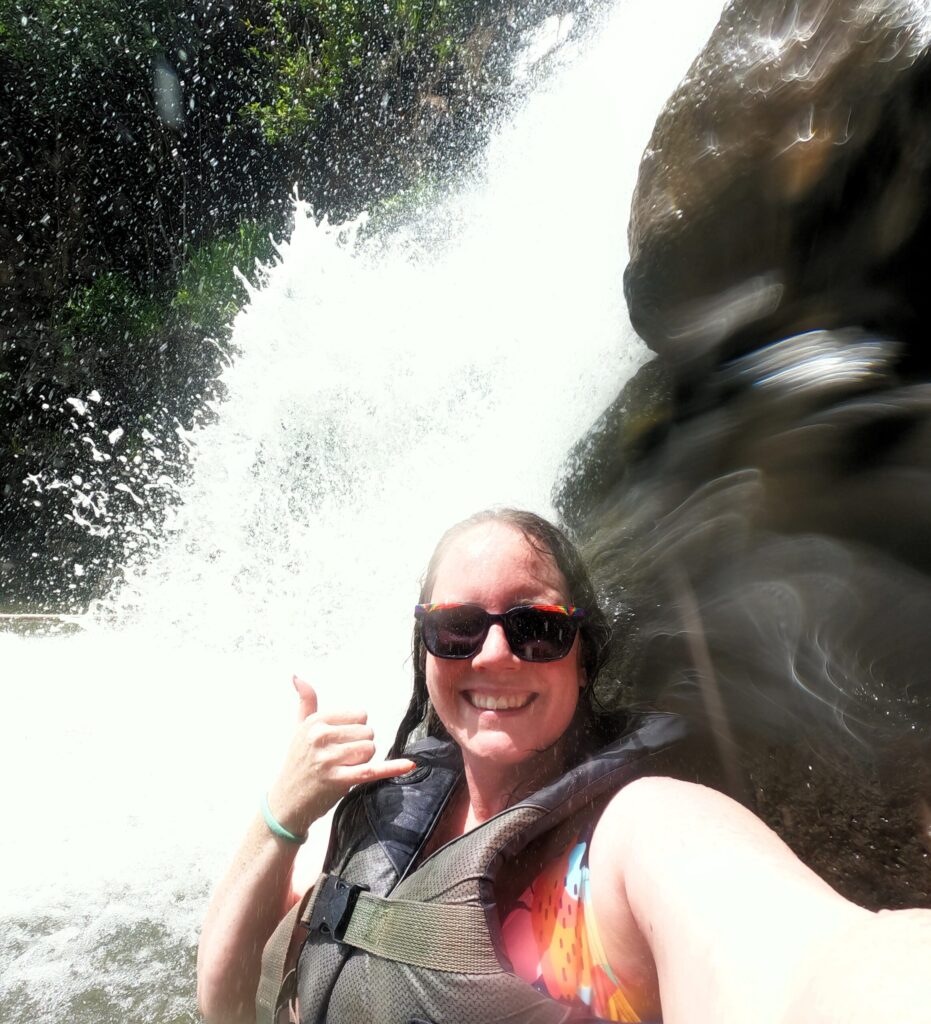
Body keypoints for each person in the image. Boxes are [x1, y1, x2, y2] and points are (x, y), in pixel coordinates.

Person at [198, 509, 931, 1024]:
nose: (491, 655)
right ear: (425, 655)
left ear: (583, 659)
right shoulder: (382, 817)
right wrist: (282, 816)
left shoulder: (628, 838)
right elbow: (223, 1006)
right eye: (456, 629)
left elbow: (803, 964)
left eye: (535, 628)